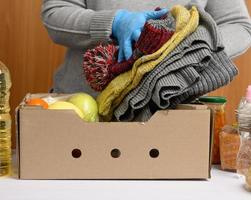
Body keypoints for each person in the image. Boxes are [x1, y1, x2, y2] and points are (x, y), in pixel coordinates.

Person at [41, 0, 251, 97]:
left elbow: (238, 25)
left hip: (175, 108)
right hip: (82, 108)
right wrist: (113, 22)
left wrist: (189, 48)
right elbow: (56, 12)